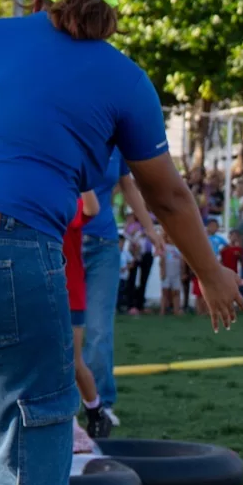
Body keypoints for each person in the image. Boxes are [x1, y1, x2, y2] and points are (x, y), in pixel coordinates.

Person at [0, 0, 241, 485]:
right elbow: (169, 196)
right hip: (14, 251)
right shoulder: (122, 76)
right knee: (29, 438)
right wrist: (212, 276)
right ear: (113, 11)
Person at [82, 151, 158, 429]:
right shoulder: (63, 132)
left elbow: (128, 186)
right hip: (62, 241)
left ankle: (100, 405)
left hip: (103, 245)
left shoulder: (115, 143)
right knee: (59, 330)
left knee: (99, 330)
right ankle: (55, 404)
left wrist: (150, 229)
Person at [62, 192, 106, 451]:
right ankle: (81, 417)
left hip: (70, 295)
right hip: (42, 292)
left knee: (72, 362)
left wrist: (83, 181)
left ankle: (93, 413)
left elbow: (92, 208)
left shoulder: (67, 204)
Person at [158, 229, 184, 315]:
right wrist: (162, 272)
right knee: (165, 292)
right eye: (169, 237)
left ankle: (176, 310)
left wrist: (183, 273)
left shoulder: (179, 248)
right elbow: (162, 261)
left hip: (177, 274)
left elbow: (182, 262)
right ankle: (162, 311)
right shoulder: (165, 247)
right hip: (167, 273)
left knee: (176, 292)